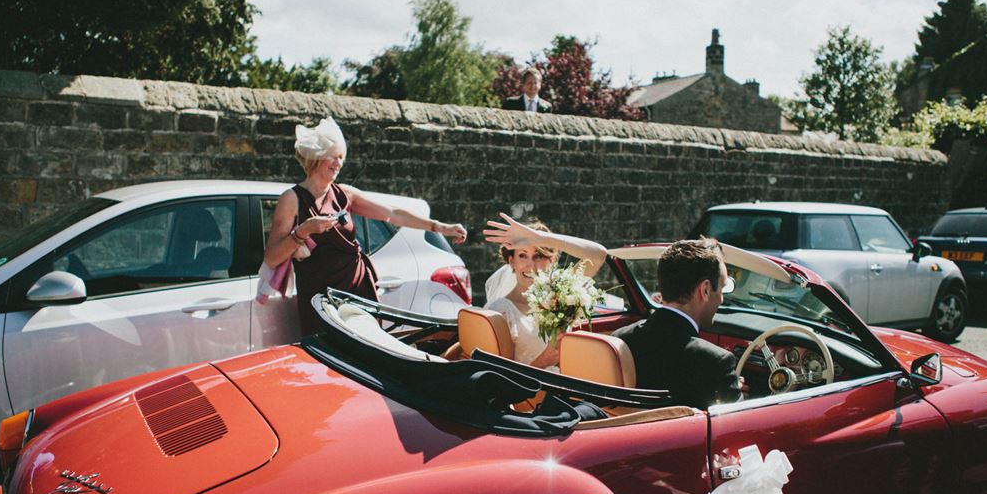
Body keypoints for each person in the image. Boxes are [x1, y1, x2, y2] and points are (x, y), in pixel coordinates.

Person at [263, 116, 467, 334]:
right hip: (320, 296)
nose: (339, 163)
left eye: (341, 157)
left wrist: (439, 226)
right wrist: (303, 231)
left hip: (357, 287)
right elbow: (272, 257)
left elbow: (393, 214)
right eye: (333, 157)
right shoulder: (291, 199)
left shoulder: (345, 193)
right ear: (316, 157)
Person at [614, 239, 744, 409]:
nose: (721, 299)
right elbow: (738, 424)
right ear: (705, 290)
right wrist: (731, 386)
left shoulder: (621, 339)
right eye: (721, 289)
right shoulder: (715, 362)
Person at [482, 213, 606, 368]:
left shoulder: (561, 292)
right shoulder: (500, 311)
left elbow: (599, 255)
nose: (531, 266)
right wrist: (545, 359)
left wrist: (538, 237)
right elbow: (503, 383)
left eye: (538, 256)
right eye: (522, 256)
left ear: (552, 260)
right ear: (511, 261)